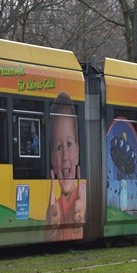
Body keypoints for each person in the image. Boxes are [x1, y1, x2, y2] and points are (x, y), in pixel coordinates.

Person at [46, 91, 86, 241]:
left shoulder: (83, 194)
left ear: (77, 150)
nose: (64, 158)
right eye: (58, 147)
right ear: (51, 157)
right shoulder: (53, 206)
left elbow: (84, 198)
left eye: (69, 144)